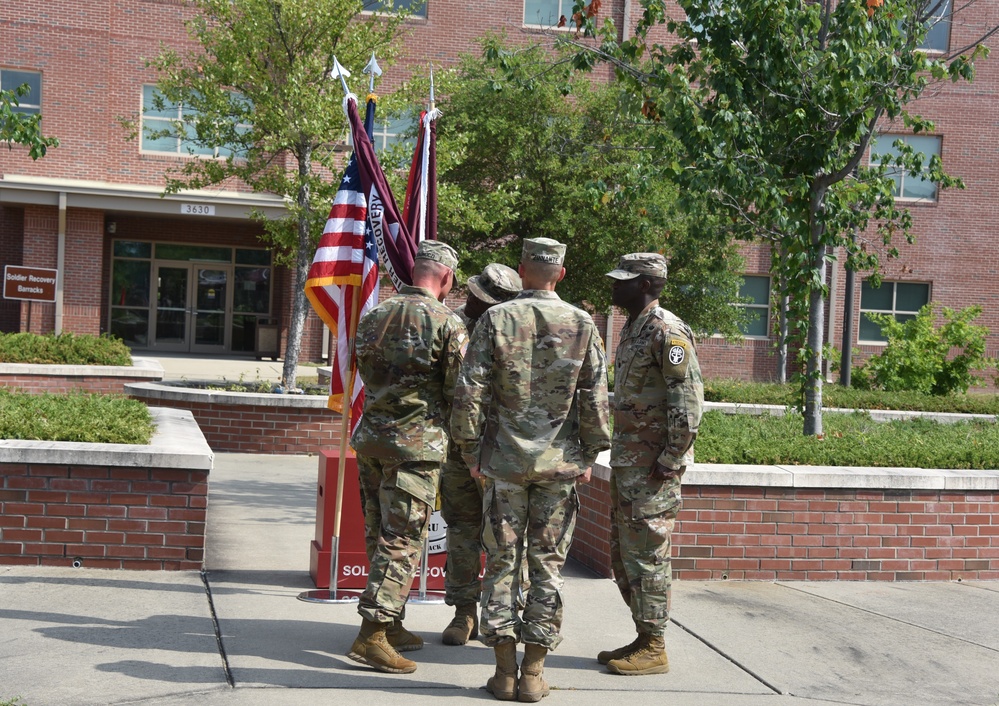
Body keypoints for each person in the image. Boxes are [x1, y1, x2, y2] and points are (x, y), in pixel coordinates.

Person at [451, 237, 611, 702]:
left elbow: (471, 389)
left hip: (503, 463)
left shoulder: (497, 318)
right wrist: (589, 453)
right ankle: (535, 673)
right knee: (548, 566)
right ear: (560, 273)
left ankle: (503, 672)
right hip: (559, 469)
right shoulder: (583, 323)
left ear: (522, 270)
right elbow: (595, 395)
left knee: (501, 562)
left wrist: (468, 450)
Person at [346, 239, 468, 675]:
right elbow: (460, 393)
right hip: (415, 451)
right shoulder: (447, 323)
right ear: (447, 278)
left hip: (373, 441)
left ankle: (392, 623)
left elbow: (362, 371)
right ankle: (373, 635)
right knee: (402, 542)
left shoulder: (374, 314)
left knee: (380, 533)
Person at [599, 252, 704, 676]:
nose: (614, 285)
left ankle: (655, 645)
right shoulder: (633, 329)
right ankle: (644, 635)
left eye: (623, 280)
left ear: (644, 285)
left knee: (649, 557)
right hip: (631, 464)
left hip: (652, 469)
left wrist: (671, 458)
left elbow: (689, 401)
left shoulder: (667, 331)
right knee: (627, 556)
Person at [441, 263, 523, 646]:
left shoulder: (514, 334)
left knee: (504, 539)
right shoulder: (448, 323)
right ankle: (463, 613)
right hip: (458, 449)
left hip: (500, 452)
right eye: (476, 295)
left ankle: (504, 615)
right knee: (461, 530)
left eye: (486, 300)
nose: (477, 303)